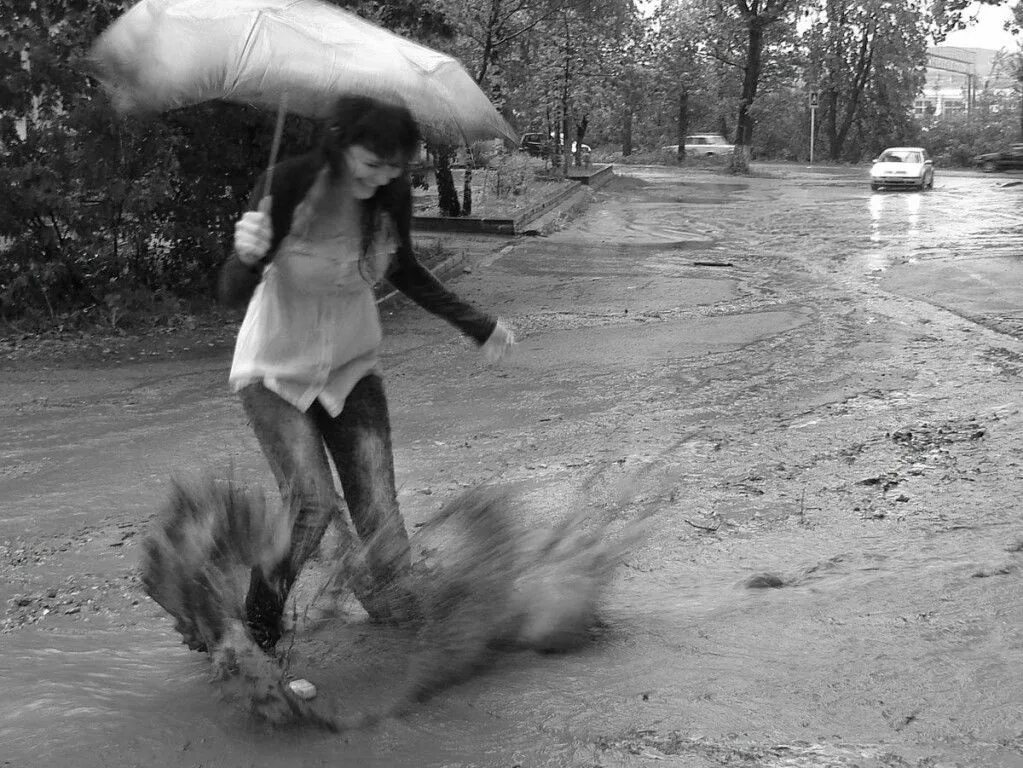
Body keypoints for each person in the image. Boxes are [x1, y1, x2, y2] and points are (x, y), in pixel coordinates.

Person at [218, 93, 514, 650]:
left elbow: (405, 270)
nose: (381, 178)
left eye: (394, 168)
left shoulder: (389, 196)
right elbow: (232, 293)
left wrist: (476, 324)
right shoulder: (283, 187)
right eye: (371, 163)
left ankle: (402, 622)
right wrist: (246, 254)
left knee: (380, 515)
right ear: (340, 144)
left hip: (352, 372)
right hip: (274, 372)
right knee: (311, 504)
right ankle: (256, 629)